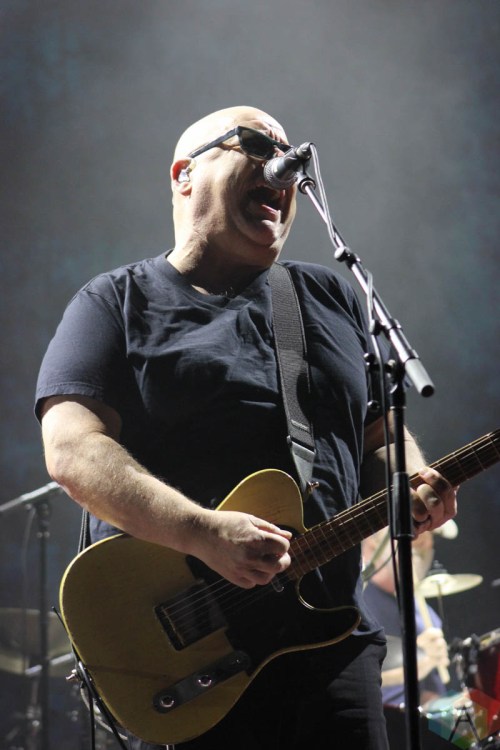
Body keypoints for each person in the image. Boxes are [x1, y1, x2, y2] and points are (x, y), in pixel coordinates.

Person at [35, 106, 458, 750]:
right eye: (257, 144)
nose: (283, 164)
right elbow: (71, 449)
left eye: (290, 154)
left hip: (331, 646)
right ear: (184, 174)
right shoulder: (113, 302)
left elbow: (380, 439)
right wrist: (203, 533)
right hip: (188, 655)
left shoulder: (330, 296)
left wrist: (411, 480)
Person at [362, 529, 450, 709]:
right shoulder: (351, 603)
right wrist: (417, 663)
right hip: (374, 718)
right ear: (373, 542)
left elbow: (430, 700)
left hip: (413, 720)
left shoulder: (426, 616)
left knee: (483, 714)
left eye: (430, 536)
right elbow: (341, 679)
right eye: (415, 531)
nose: (424, 542)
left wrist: (454, 709)